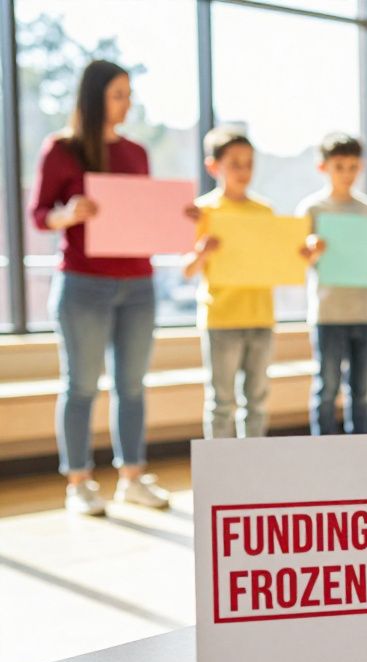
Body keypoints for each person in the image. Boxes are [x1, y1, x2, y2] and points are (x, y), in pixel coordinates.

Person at [28, 59, 175, 515]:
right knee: (81, 386)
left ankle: (132, 475)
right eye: (119, 94)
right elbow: (40, 215)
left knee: (132, 385)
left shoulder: (137, 152)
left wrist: (177, 218)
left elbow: (145, 217)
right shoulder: (60, 149)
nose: (127, 103)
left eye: (129, 94)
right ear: (94, 98)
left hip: (138, 284)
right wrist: (68, 213)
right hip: (83, 284)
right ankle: (79, 482)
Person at [183, 127, 318, 439]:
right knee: (221, 402)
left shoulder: (264, 211)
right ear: (213, 166)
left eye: (248, 163)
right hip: (221, 318)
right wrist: (202, 253)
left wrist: (301, 255)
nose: (243, 171)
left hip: (261, 317)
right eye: (235, 163)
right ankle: (218, 471)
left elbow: (281, 261)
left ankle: (252, 468)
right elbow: (187, 269)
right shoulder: (203, 211)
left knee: (257, 401)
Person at [296, 133, 367, 435]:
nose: (347, 174)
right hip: (328, 313)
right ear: (323, 167)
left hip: (364, 310)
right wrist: (312, 251)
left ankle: (360, 451)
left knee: (360, 390)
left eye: (352, 167)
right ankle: (323, 450)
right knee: (327, 387)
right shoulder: (312, 209)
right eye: (339, 167)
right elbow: (297, 263)